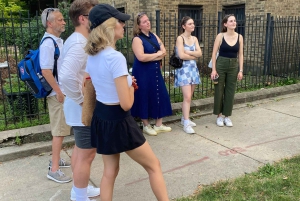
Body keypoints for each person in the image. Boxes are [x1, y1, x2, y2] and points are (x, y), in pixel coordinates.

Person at [85, 4, 169, 201]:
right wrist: (130, 85)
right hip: (119, 120)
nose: (123, 25)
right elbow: (126, 104)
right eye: (119, 21)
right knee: (153, 165)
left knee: (110, 171)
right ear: (109, 26)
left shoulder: (92, 55)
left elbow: (102, 86)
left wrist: (125, 82)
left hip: (102, 117)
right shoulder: (115, 57)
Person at [59, 0, 100, 200]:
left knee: (80, 151)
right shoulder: (79, 43)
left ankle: (79, 188)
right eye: (94, 14)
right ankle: (79, 195)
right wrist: (83, 101)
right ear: (83, 19)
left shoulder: (76, 40)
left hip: (77, 107)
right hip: (80, 108)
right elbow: (65, 76)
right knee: (87, 154)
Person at [40, 8, 72, 183]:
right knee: (59, 131)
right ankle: (54, 169)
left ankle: (56, 159)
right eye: (59, 20)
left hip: (61, 92)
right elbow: (46, 71)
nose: (64, 22)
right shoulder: (48, 44)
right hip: (56, 94)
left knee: (61, 129)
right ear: (50, 23)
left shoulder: (57, 41)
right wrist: (59, 92)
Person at [131, 12, 172, 136]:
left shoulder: (154, 35)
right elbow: (141, 57)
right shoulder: (137, 39)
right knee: (144, 96)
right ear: (138, 26)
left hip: (155, 72)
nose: (148, 23)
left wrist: (155, 56)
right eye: (144, 21)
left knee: (160, 94)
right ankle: (146, 125)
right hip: (142, 73)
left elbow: (164, 51)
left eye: (148, 20)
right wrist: (157, 55)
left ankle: (158, 124)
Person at [210, 14, 244, 127]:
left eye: (234, 21)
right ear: (225, 24)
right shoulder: (220, 36)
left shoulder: (240, 37)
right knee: (219, 90)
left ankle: (227, 116)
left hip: (233, 66)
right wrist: (214, 70)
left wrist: (241, 70)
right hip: (221, 64)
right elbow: (214, 53)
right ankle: (219, 116)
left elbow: (241, 54)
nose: (234, 23)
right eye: (231, 21)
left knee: (230, 91)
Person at [175, 16, 202, 134]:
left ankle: (184, 118)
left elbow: (200, 53)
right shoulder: (180, 38)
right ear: (184, 26)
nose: (193, 25)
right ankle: (186, 122)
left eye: (193, 23)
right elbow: (181, 56)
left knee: (189, 96)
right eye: (190, 24)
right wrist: (193, 56)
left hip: (193, 69)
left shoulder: (195, 38)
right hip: (184, 70)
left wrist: (188, 52)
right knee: (187, 97)